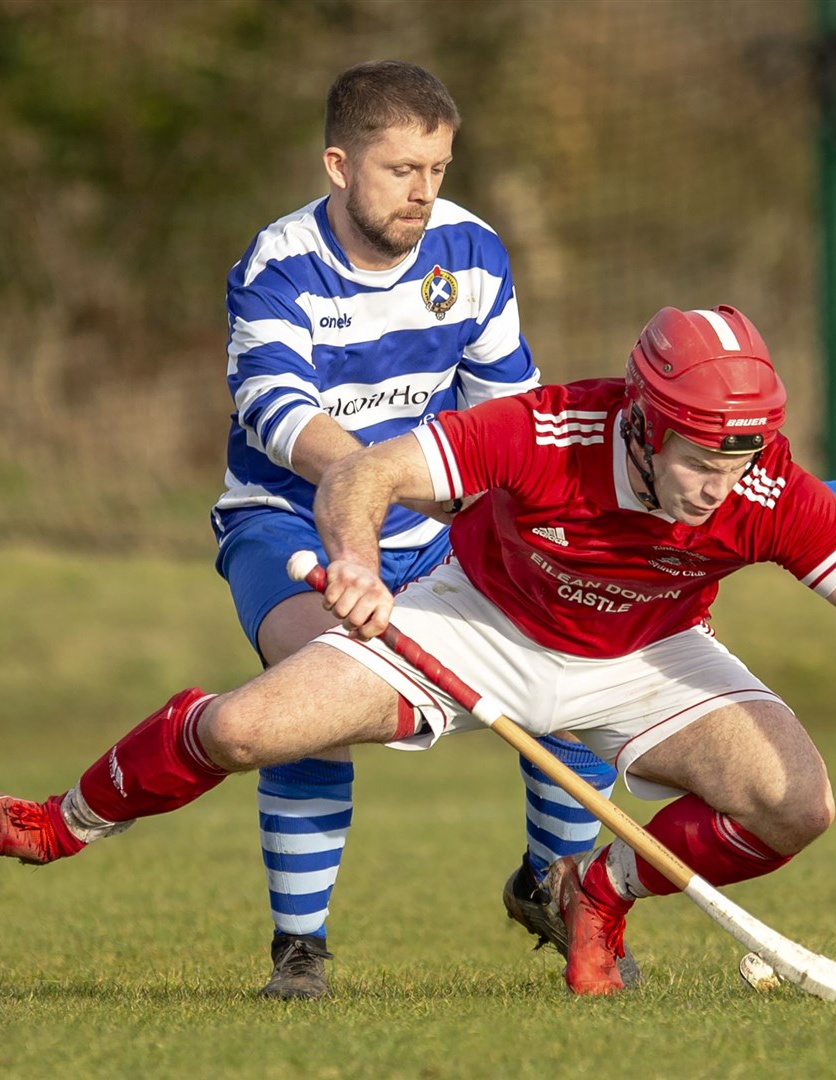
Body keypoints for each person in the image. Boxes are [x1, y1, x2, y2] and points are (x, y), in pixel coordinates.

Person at [0, 304, 836, 996]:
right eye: (704, 458)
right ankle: (61, 822)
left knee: (796, 806)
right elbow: (365, 472)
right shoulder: (542, 430)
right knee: (243, 727)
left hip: (657, 653)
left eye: (745, 455)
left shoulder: (765, 487)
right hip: (474, 620)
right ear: (643, 417)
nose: (726, 482)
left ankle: (598, 892)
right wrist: (364, 567)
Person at [206, 60, 628, 998]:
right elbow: (279, 414)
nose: (424, 192)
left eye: (437, 167)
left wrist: (530, 501)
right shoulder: (276, 266)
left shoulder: (471, 251)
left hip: (439, 533)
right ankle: (300, 951)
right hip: (289, 523)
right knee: (314, 694)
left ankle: (553, 888)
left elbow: (509, 409)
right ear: (337, 165)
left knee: (579, 664)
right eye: (401, 170)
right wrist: (395, 481)